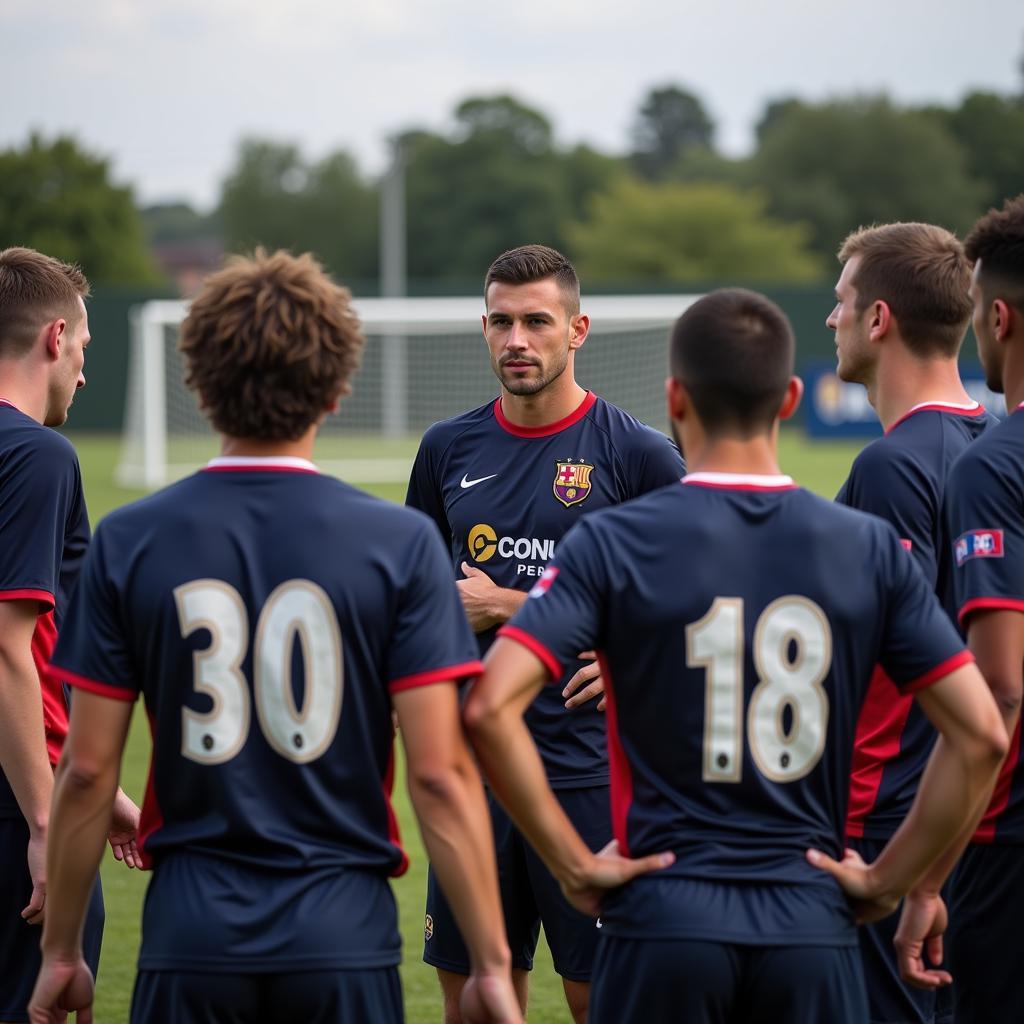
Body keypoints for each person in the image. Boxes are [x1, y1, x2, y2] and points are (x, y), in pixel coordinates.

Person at [463, 287, 1008, 1024]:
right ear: (788, 399)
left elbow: (491, 705)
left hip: (663, 917)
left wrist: (575, 865)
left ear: (674, 398)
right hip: (810, 922)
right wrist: (892, 881)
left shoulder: (614, 542)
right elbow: (980, 731)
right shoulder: (865, 547)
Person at [29, 249, 521, 1024]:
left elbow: (88, 773)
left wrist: (61, 953)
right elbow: (438, 777)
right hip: (342, 932)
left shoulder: (131, 541)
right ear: (337, 387)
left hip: (191, 932)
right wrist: (491, 961)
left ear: (195, 382)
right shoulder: (400, 546)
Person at [406, 244, 684, 1023]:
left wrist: (523, 614)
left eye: (536, 322)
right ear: (483, 328)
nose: (517, 340)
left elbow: (700, 607)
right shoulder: (446, 450)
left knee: (603, 1000)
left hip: (589, 775)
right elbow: (421, 604)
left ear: (578, 329)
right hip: (472, 775)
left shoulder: (638, 455)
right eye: (501, 322)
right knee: (474, 1005)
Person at [826, 222, 994, 1024]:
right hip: (974, 816)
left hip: (893, 820)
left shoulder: (892, 467)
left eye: (841, 301)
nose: (831, 320)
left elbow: (888, 671)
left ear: (879, 318)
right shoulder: (995, 445)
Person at [0, 247, 139, 1024]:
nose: (82, 373)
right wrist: (47, 819)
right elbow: (5, 647)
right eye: (83, 349)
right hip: (16, 799)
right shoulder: (35, 455)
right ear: (56, 338)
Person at [934, 193, 1024, 1021]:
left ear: (997, 318)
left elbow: (997, 693)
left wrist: (924, 878)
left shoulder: (995, 466)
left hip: (1008, 851)